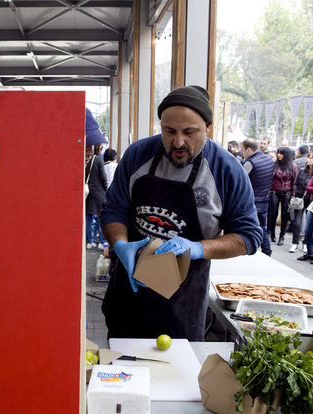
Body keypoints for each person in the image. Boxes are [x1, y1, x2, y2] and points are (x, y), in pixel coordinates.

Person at [100, 86, 262, 341]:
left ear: (207, 127)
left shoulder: (226, 170)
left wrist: (197, 248)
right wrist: (120, 244)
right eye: (169, 131)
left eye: (189, 132)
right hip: (128, 298)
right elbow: (113, 209)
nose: (178, 142)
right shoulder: (137, 155)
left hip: (182, 308)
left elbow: (249, 236)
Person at [241, 138, 274, 256]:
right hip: (265, 199)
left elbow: (240, 179)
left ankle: (249, 249)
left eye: (242, 150)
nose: (242, 153)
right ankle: (267, 251)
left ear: (249, 149)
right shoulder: (268, 159)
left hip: (252, 201)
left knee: (248, 227)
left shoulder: (250, 163)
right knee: (262, 227)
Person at [85, 108, 108, 249]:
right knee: (100, 216)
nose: (90, 151)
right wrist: (106, 189)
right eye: (88, 145)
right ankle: (101, 241)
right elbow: (103, 177)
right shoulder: (98, 160)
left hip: (88, 192)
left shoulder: (88, 161)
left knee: (88, 217)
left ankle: (88, 240)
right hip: (98, 192)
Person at [268, 146, 297, 246]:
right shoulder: (274, 165)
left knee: (285, 215)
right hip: (274, 191)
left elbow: (294, 182)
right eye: (278, 153)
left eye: (281, 153)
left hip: (287, 192)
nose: (279, 155)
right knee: (273, 214)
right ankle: (272, 234)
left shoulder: (293, 166)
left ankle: (282, 236)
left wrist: (293, 195)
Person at [289, 146, 311, 253]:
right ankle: (295, 243)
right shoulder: (302, 171)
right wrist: (294, 195)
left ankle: (306, 244)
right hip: (299, 199)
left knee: (308, 224)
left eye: (312, 159)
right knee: (297, 223)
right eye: (309, 158)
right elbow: (295, 183)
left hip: (311, 200)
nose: (309, 160)